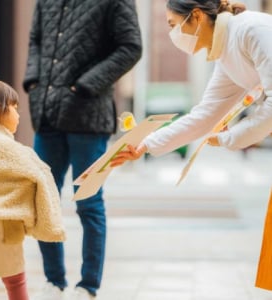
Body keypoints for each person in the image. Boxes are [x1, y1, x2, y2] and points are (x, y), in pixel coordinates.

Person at [110, 0, 272, 291]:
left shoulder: (251, 30)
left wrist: (229, 138)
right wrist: (144, 145)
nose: (172, 34)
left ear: (195, 16)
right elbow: (203, 115)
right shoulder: (225, 55)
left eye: (173, 25)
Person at [23, 0, 142, 299]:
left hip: (89, 116)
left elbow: (130, 47)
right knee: (42, 199)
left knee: (88, 203)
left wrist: (86, 85)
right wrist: (33, 82)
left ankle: (88, 285)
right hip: (48, 113)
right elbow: (36, 39)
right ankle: (54, 281)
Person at [0, 78, 65, 300]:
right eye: (14, 107)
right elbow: (38, 174)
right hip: (6, 225)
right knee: (15, 279)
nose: (18, 114)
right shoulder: (11, 149)